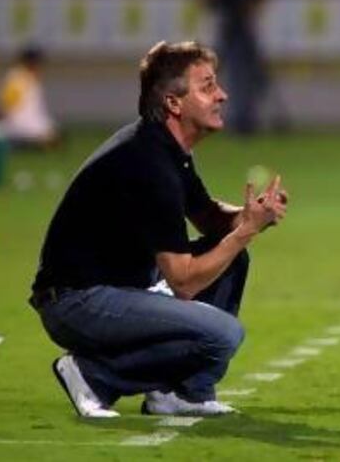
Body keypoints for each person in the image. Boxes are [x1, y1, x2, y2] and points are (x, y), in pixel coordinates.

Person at [28, 40, 288, 418]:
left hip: (112, 290)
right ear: (174, 102)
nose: (223, 95)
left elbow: (209, 217)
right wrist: (246, 229)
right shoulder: (149, 163)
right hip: (76, 301)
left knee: (233, 260)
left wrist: (251, 216)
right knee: (224, 335)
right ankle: (93, 374)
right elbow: (183, 281)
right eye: (208, 86)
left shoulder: (165, 148)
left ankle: (183, 392)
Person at [204, 0, 289, 134]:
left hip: (243, 33)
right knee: (237, 77)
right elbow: (212, 0)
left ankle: (251, 119)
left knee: (251, 78)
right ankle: (243, 120)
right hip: (232, 33)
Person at [0, 45, 60, 148]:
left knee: (52, 134)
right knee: (47, 136)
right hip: (19, 125)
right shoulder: (17, 78)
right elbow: (4, 106)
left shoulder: (30, 78)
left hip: (28, 124)